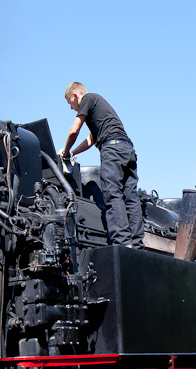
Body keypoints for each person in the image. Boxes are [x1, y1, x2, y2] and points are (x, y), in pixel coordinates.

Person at [58, 82, 143, 247]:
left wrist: (66, 151)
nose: (72, 108)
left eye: (70, 103)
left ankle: (122, 243)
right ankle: (137, 244)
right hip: (128, 150)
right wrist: (74, 153)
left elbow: (74, 130)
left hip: (112, 150)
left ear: (75, 96)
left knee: (113, 194)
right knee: (131, 198)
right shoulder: (99, 108)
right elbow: (91, 140)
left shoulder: (88, 99)